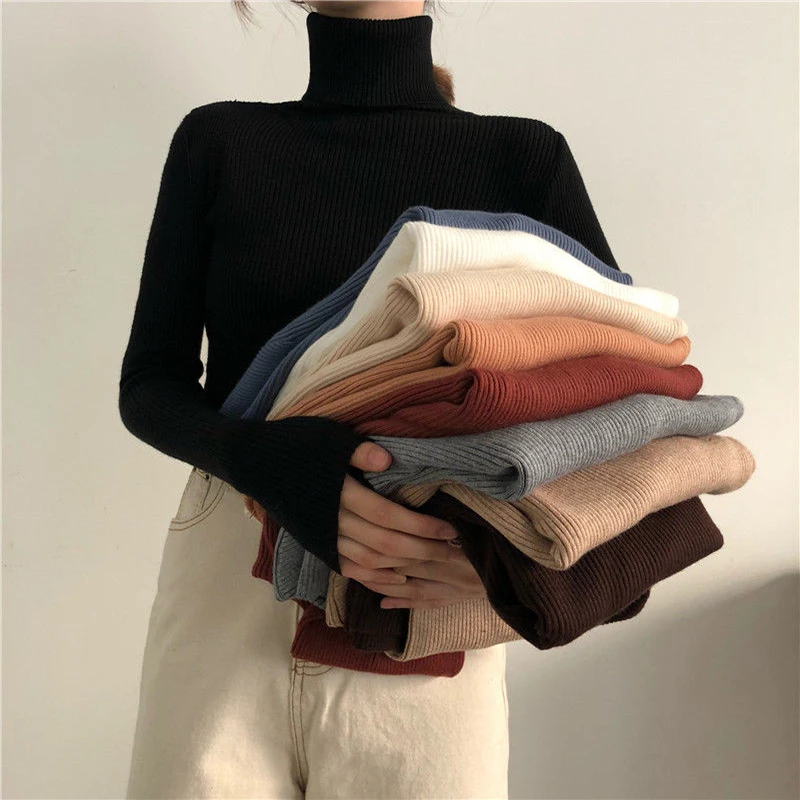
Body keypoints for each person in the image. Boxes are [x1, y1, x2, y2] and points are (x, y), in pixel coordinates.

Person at [119, 1, 622, 797]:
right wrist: (271, 464)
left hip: (424, 587)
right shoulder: (221, 142)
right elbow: (151, 380)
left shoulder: (522, 159)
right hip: (228, 577)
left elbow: (614, 408)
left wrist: (514, 564)